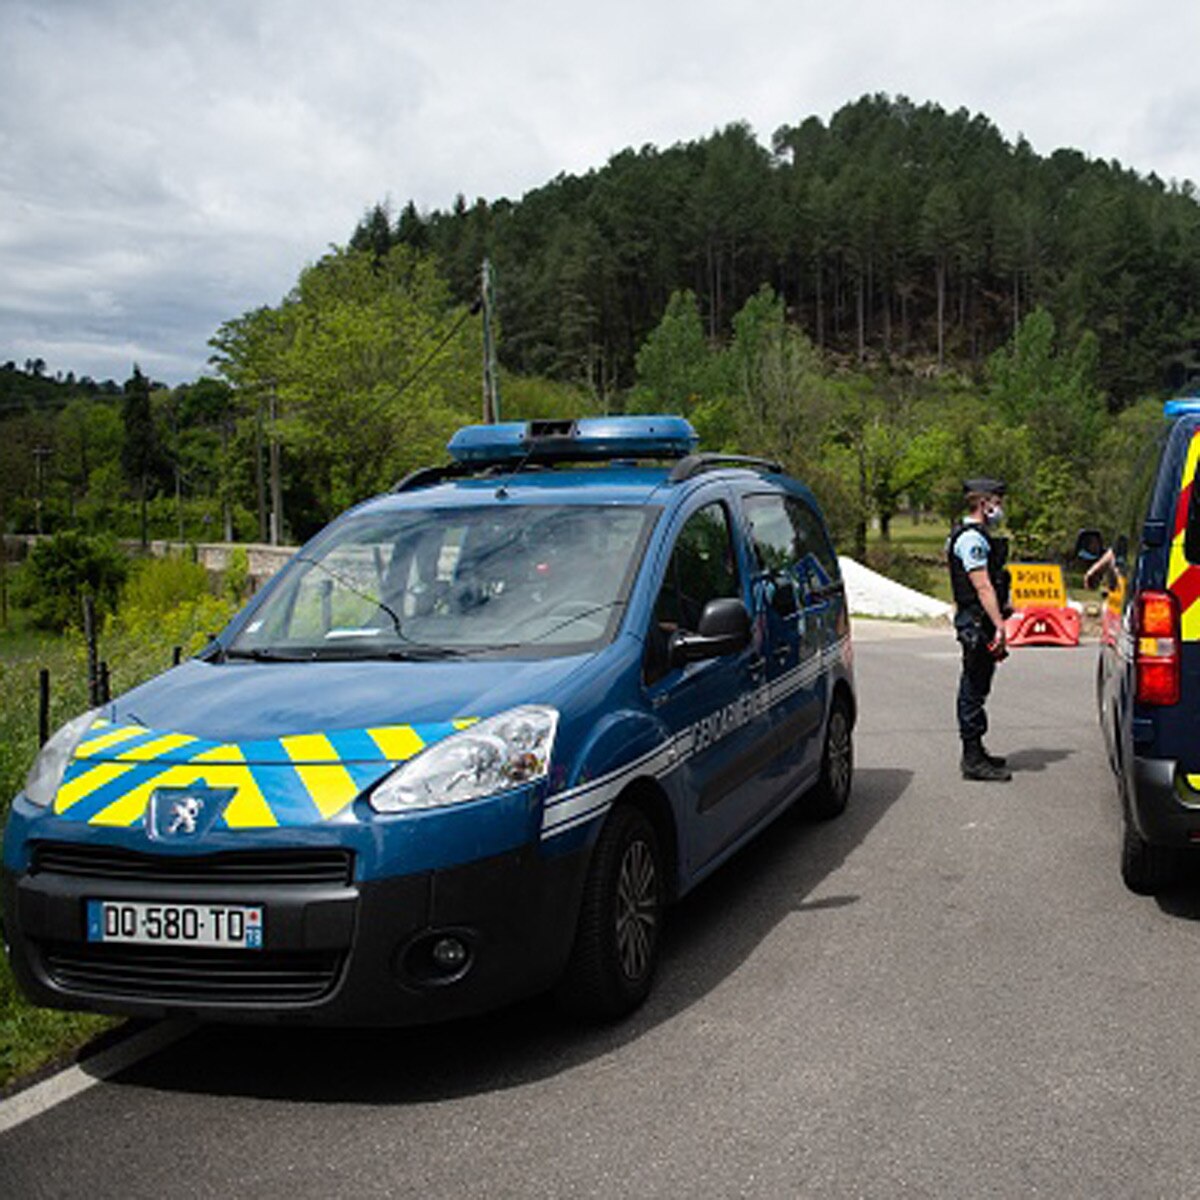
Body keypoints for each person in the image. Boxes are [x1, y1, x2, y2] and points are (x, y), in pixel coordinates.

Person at [947, 478, 1013, 782]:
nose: (1000, 507)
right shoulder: (971, 540)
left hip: (977, 619)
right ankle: (971, 758)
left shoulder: (976, 536)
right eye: (997, 501)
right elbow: (982, 585)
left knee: (979, 683)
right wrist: (999, 625)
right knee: (973, 686)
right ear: (984, 503)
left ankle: (977, 750)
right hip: (976, 622)